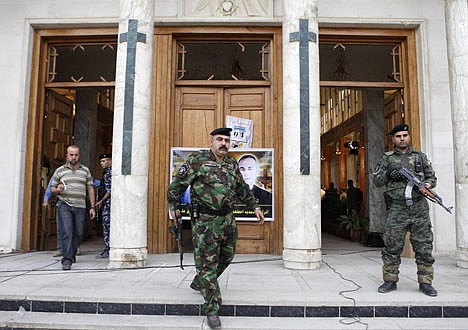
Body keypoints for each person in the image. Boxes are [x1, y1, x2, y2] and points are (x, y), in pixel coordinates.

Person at [167, 127, 265, 329]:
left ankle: (199, 280)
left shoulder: (231, 163)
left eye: (227, 140)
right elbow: (176, 186)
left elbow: (242, 189)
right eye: (219, 139)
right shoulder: (198, 160)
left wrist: (254, 206)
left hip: (228, 220)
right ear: (211, 141)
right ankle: (212, 309)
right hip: (205, 221)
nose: (224, 143)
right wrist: (173, 207)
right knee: (207, 264)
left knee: (226, 257)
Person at [373, 123, 438, 297]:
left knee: (423, 245)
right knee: (392, 245)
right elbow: (377, 181)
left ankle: (426, 282)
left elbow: (432, 177)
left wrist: (427, 185)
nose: (402, 139)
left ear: (409, 137)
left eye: (404, 135)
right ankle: (390, 280)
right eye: (398, 136)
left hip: (419, 207)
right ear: (393, 139)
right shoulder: (387, 158)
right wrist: (388, 174)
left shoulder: (420, 157)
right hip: (397, 207)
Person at [50, 145, 96, 270]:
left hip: (80, 206)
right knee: (67, 232)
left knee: (79, 233)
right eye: (71, 155)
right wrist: (58, 189)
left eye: (76, 155)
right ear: (67, 156)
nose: (73, 157)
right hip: (65, 204)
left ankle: (72, 252)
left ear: (79, 155)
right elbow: (52, 188)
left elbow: (90, 188)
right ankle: (67, 260)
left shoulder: (85, 170)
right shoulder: (60, 171)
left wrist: (92, 207)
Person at [95, 153, 112, 258]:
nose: (102, 163)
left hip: (108, 204)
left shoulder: (109, 174)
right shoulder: (106, 173)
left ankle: (108, 248)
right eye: (101, 161)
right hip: (106, 203)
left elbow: (110, 189)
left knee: (107, 226)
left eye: (104, 161)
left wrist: (102, 200)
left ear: (110, 161)